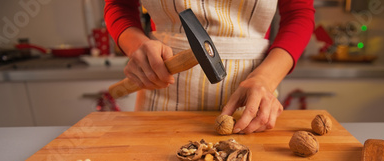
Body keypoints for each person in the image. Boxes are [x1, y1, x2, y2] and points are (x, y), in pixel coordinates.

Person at [104, 0, 314, 134]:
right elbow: (119, 4)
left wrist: (265, 79)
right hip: (160, 95)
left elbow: (299, 13)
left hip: (253, 102)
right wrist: (136, 45)